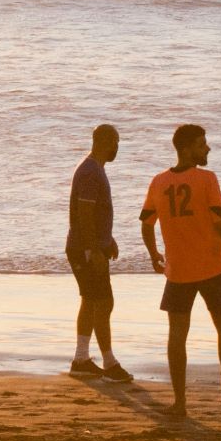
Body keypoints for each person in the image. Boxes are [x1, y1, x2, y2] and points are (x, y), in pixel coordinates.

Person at [140, 124, 221, 418]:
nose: (207, 148)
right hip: (212, 266)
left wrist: (153, 255)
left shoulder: (158, 181)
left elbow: (146, 224)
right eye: (202, 144)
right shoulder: (207, 179)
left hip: (178, 270)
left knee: (177, 334)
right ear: (186, 149)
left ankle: (179, 402)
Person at [67, 124, 132, 382]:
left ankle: (81, 359)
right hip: (84, 248)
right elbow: (84, 214)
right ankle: (109, 363)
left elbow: (94, 213)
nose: (118, 148)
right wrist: (93, 250)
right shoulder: (91, 172)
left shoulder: (94, 169)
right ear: (105, 141)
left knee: (91, 300)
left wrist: (108, 239)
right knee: (103, 302)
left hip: (86, 245)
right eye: (116, 142)